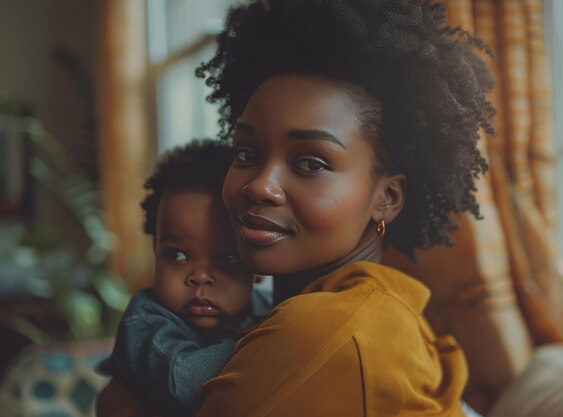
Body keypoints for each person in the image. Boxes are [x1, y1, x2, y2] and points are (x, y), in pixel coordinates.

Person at [97, 0, 495, 416]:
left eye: (311, 163)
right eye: (247, 153)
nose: (260, 187)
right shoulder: (376, 306)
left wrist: (121, 403)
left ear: (387, 198)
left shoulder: (321, 333)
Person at [97, 140, 272, 417]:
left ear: (257, 262)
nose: (199, 277)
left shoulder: (269, 309)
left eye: (227, 258)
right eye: (177, 255)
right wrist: (266, 343)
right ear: (155, 252)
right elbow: (186, 383)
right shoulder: (146, 320)